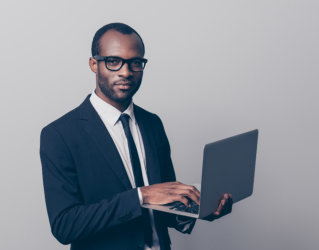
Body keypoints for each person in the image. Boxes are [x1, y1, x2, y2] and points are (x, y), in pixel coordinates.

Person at [40, 22, 232, 250]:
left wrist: (203, 209)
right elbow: (65, 225)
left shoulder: (152, 123)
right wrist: (141, 196)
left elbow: (165, 205)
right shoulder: (60, 134)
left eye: (135, 63)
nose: (126, 72)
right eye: (113, 61)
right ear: (94, 64)